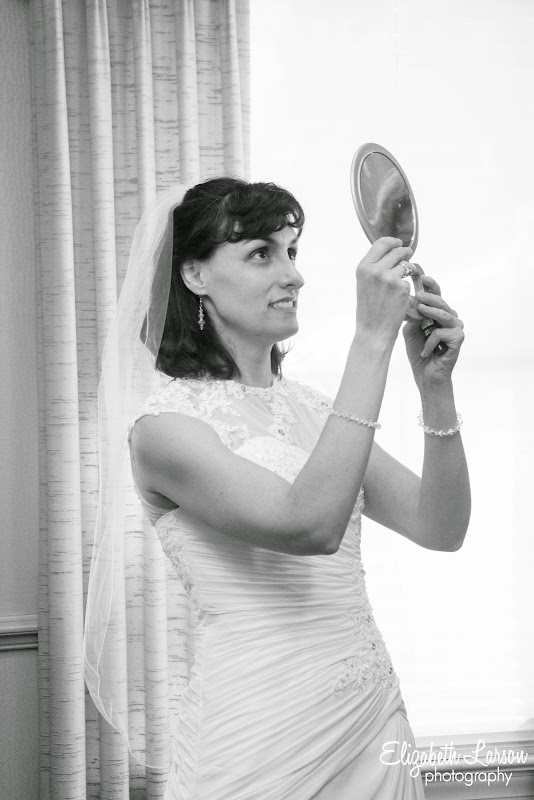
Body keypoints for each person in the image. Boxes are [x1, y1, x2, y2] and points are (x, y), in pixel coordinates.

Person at [84, 177, 470, 799]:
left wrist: (435, 389)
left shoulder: (316, 410)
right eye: (261, 253)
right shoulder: (164, 430)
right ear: (195, 276)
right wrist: (371, 338)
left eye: (292, 251)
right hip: (259, 736)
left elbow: (440, 526)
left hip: (370, 720)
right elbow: (309, 525)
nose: (294, 275)